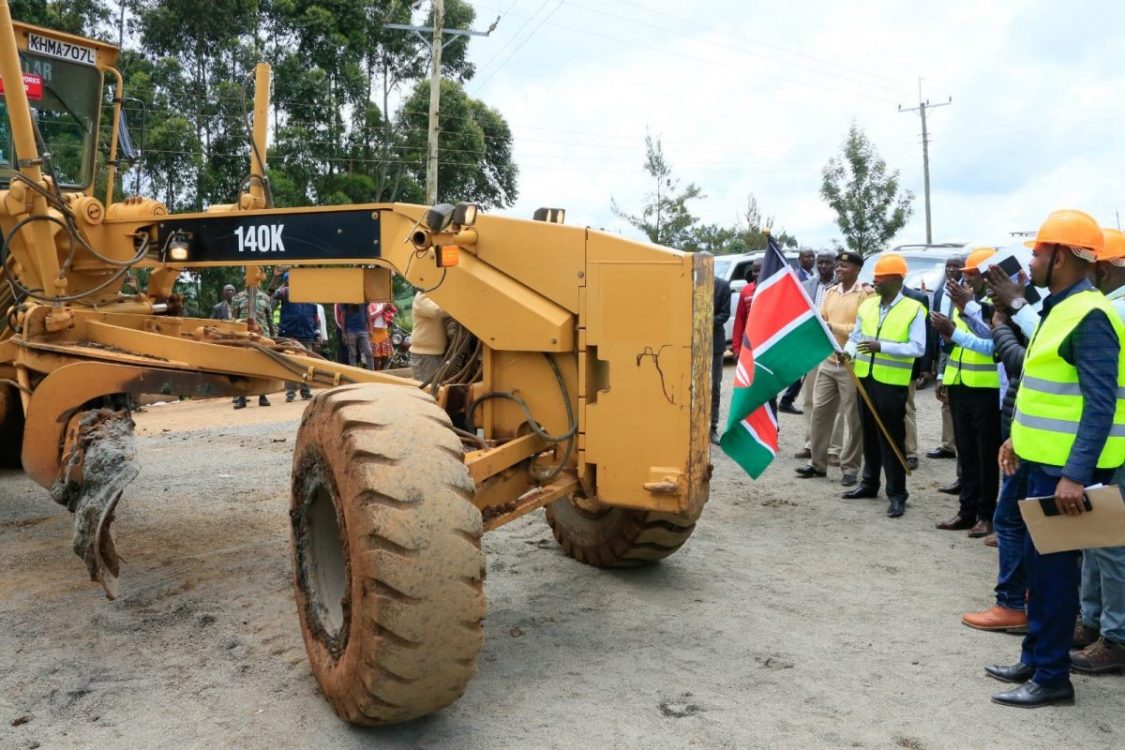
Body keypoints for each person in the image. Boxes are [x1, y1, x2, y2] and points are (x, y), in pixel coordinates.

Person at [987, 209, 1124, 709]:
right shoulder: (1060, 307)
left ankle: (1051, 678)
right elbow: (1045, 387)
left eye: (1039, 251)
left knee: (1056, 574)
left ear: (1061, 257)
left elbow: (1100, 403)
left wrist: (1075, 475)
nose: (1032, 260)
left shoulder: (1089, 315)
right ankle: (1036, 656)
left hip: (1064, 472)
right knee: (1041, 572)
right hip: (1040, 461)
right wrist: (1017, 440)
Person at [1070, 227, 1125, 674]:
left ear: (1102, 269)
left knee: (1110, 543)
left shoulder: (1110, 312)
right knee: (1095, 538)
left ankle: (1116, 636)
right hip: (1109, 444)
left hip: (1118, 446)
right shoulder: (1109, 307)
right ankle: (1092, 623)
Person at [841, 253, 926, 518]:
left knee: (891, 438)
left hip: (892, 383)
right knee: (868, 433)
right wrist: (848, 351)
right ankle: (869, 483)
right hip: (865, 377)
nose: (874, 281)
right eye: (874, 277)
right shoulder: (868, 306)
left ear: (897, 279)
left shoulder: (914, 308)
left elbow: (918, 347)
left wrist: (883, 347)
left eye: (880, 277)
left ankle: (897, 493)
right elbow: (856, 336)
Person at [931, 248, 1001, 538]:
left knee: (986, 457)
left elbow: (991, 343)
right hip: (960, 384)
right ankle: (966, 510)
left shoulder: (994, 306)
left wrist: (956, 329)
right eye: (965, 275)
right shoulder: (964, 302)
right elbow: (954, 344)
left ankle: (986, 515)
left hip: (986, 390)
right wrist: (945, 375)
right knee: (966, 454)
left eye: (971, 274)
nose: (966, 279)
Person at [796, 250, 873, 487]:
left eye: (844, 267)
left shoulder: (866, 295)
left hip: (852, 363)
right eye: (838, 266)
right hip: (829, 361)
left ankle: (850, 468)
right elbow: (822, 320)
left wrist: (832, 326)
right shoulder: (831, 292)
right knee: (820, 411)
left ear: (858, 270)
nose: (839, 269)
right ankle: (818, 464)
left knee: (853, 417)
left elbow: (861, 330)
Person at [900, 283, 933, 470]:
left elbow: (926, 335)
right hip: (880, 367)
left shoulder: (918, 298)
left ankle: (910, 452)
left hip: (908, 366)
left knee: (907, 408)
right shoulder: (875, 298)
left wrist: (925, 367)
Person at [273, 273, 320, 401]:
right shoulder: (286, 293)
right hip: (290, 334)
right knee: (290, 363)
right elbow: (275, 295)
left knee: (307, 365)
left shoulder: (310, 298)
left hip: (307, 335)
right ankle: (290, 392)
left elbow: (315, 318)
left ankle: (305, 391)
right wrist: (283, 285)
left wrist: (317, 333)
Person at [232, 285, 274, 409]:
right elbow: (233, 318)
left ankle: (263, 396)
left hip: (263, 336)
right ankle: (241, 397)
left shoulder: (265, 297)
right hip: (244, 337)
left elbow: (270, 319)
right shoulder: (238, 297)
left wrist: (273, 336)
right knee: (242, 367)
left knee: (262, 366)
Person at [711, 262, 732, 445]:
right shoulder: (687, 283)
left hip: (714, 345)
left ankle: (712, 429)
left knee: (713, 387)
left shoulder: (723, 286)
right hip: (689, 345)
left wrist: (703, 321)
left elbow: (725, 314)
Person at [410, 291, 450, 385]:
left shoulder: (434, 297)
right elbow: (438, 311)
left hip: (435, 353)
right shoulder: (421, 298)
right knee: (427, 390)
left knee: (436, 388)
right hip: (424, 355)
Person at [730, 259, 762, 360]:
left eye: (760, 270)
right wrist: (736, 348)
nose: (757, 274)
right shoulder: (746, 291)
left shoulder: (773, 289)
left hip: (767, 342)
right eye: (755, 271)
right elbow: (739, 321)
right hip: (750, 342)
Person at [335, 303, 374, 369]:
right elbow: (343, 316)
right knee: (352, 354)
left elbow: (367, 313)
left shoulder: (363, 300)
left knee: (369, 352)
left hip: (363, 330)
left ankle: (372, 372)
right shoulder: (346, 302)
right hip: (351, 331)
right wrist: (343, 333)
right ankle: (353, 372)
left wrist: (370, 329)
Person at [369, 302, 397, 370]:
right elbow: (371, 316)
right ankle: (377, 373)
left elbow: (394, 311)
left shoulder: (384, 303)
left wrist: (389, 305)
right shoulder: (371, 304)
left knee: (386, 355)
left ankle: (382, 371)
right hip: (375, 332)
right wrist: (382, 309)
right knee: (377, 356)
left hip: (384, 332)